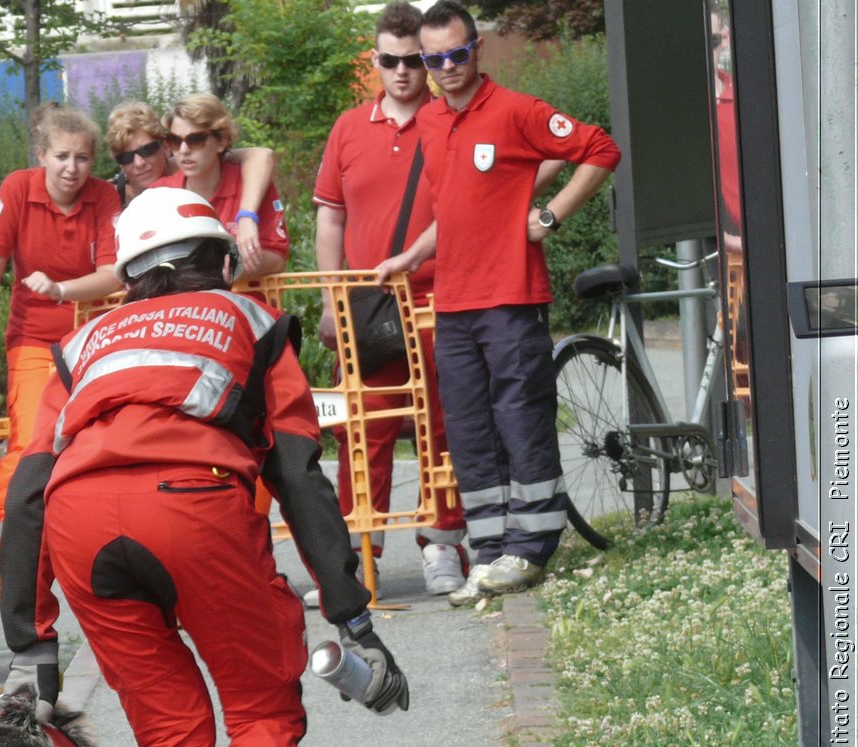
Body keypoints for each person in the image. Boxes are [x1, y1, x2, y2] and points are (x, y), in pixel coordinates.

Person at [0, 189, 410, 747]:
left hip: (79, 525)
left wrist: (31, 640)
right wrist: (351, 614)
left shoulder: (79, 346)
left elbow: (28, 492)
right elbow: (298, 470)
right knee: (263, 710)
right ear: (220, 261)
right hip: (191, 501)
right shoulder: (250, 323)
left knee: (174, 740)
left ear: (133, 275)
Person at [375, 0, 620, 604]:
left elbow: (600, 150)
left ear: (476, 48)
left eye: (457, 53)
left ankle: (531, 548)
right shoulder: (432, 120)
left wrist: (550, 215)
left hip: (511, 296)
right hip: (454, 300)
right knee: (468, 427)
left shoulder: (516, 110)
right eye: (435, 59)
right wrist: (411, 256)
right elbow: (453, 207)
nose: (447, 66)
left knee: (521, 418)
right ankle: (489, 551)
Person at [0, 105, 121, 601]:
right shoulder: (17, 189)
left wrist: (61, 290)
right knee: (28, 451)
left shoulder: (103, 197)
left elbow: (113, 273)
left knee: (104, 451)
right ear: (42, 156)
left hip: (96, 342)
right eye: (62, 156)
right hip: (36, 343)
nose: (72, 168)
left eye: (82, 158)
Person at [314, 2, 467, 596]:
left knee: (443, 426)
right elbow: (331, 217)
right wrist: (331, 300)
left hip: (441, 296)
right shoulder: (350, 127)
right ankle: (357, 559)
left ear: (426, 62)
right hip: (367, 305)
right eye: (389, 61)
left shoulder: (448, 119)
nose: (401, 72)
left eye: (413, 61)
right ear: (373, 60)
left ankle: (443, 545)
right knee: (361, 429)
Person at [105, 100, 278, 272]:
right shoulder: (120, 196)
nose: (139, 162)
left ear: (164, 147)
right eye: (125, 157)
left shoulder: (245, 180)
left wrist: (247, 217)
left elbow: (261, 156)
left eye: (196, 140)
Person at [150, 93, 288, 282]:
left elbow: (276, 258)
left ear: (221, 141)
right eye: (174, 140)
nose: (183, 150)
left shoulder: (250, 185)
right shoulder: (160, 194)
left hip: (246, 306)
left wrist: (232, 269)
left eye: (196, 139)